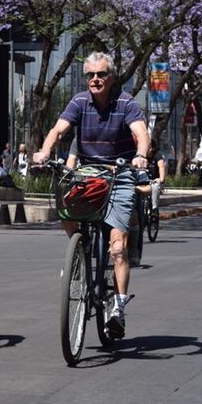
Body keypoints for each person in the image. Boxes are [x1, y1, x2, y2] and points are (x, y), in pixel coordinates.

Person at [32, 52, 149, 339]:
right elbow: (58, 130)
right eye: (90, 75)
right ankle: (80, 254)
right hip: (87, 173)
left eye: (101, 75)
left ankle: (118, 310)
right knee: (65, 209)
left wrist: (141, 155)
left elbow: (141, 132)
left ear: (112, 77)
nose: (95, 80)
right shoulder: (79, 102)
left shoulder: (126, 103)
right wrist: (45, 151)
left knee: (118, 247)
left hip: (119, 173)